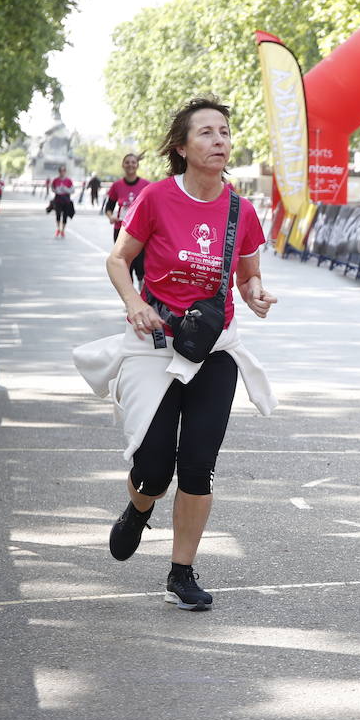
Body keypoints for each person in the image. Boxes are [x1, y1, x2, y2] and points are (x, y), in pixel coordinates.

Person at [73, 97, 278, 612]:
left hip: (215, 349)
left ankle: (181, 572)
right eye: (206, 133)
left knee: (199, 466)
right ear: (182, 147)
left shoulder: (241, 209)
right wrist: (135, 302)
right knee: (153, 468)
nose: (219, 141)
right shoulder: (157, 199)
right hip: (155, 346)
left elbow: (249, 273)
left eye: (224, 132)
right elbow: (119, 260)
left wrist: (254, 295)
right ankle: (138, 509)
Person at [104, 153, 152, 284]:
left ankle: (142, 296)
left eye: (133, 162)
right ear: (123, 165)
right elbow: (108, 207)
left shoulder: (146, 185)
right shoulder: (117, 186)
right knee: (124, 265)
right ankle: (130, 300)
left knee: (141, 265)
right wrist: (111, 216)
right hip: (121, 231)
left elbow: (152, 208)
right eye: (127, 162)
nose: (130, 165)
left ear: (137, 165)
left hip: (141, 232)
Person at [48, 166, 76, 238]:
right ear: (59, 172)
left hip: (66, 199)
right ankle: (58, 228)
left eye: (63, 171)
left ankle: (63, 230)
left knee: (65, 215)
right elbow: (52, 188)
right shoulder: (56, 180)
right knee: (58, 215)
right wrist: (56, 190)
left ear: (65, 172)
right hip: (58, 199)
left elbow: (72, 190)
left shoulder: (68, 180)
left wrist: (66, 189)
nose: (62, 172)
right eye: (61, 171)